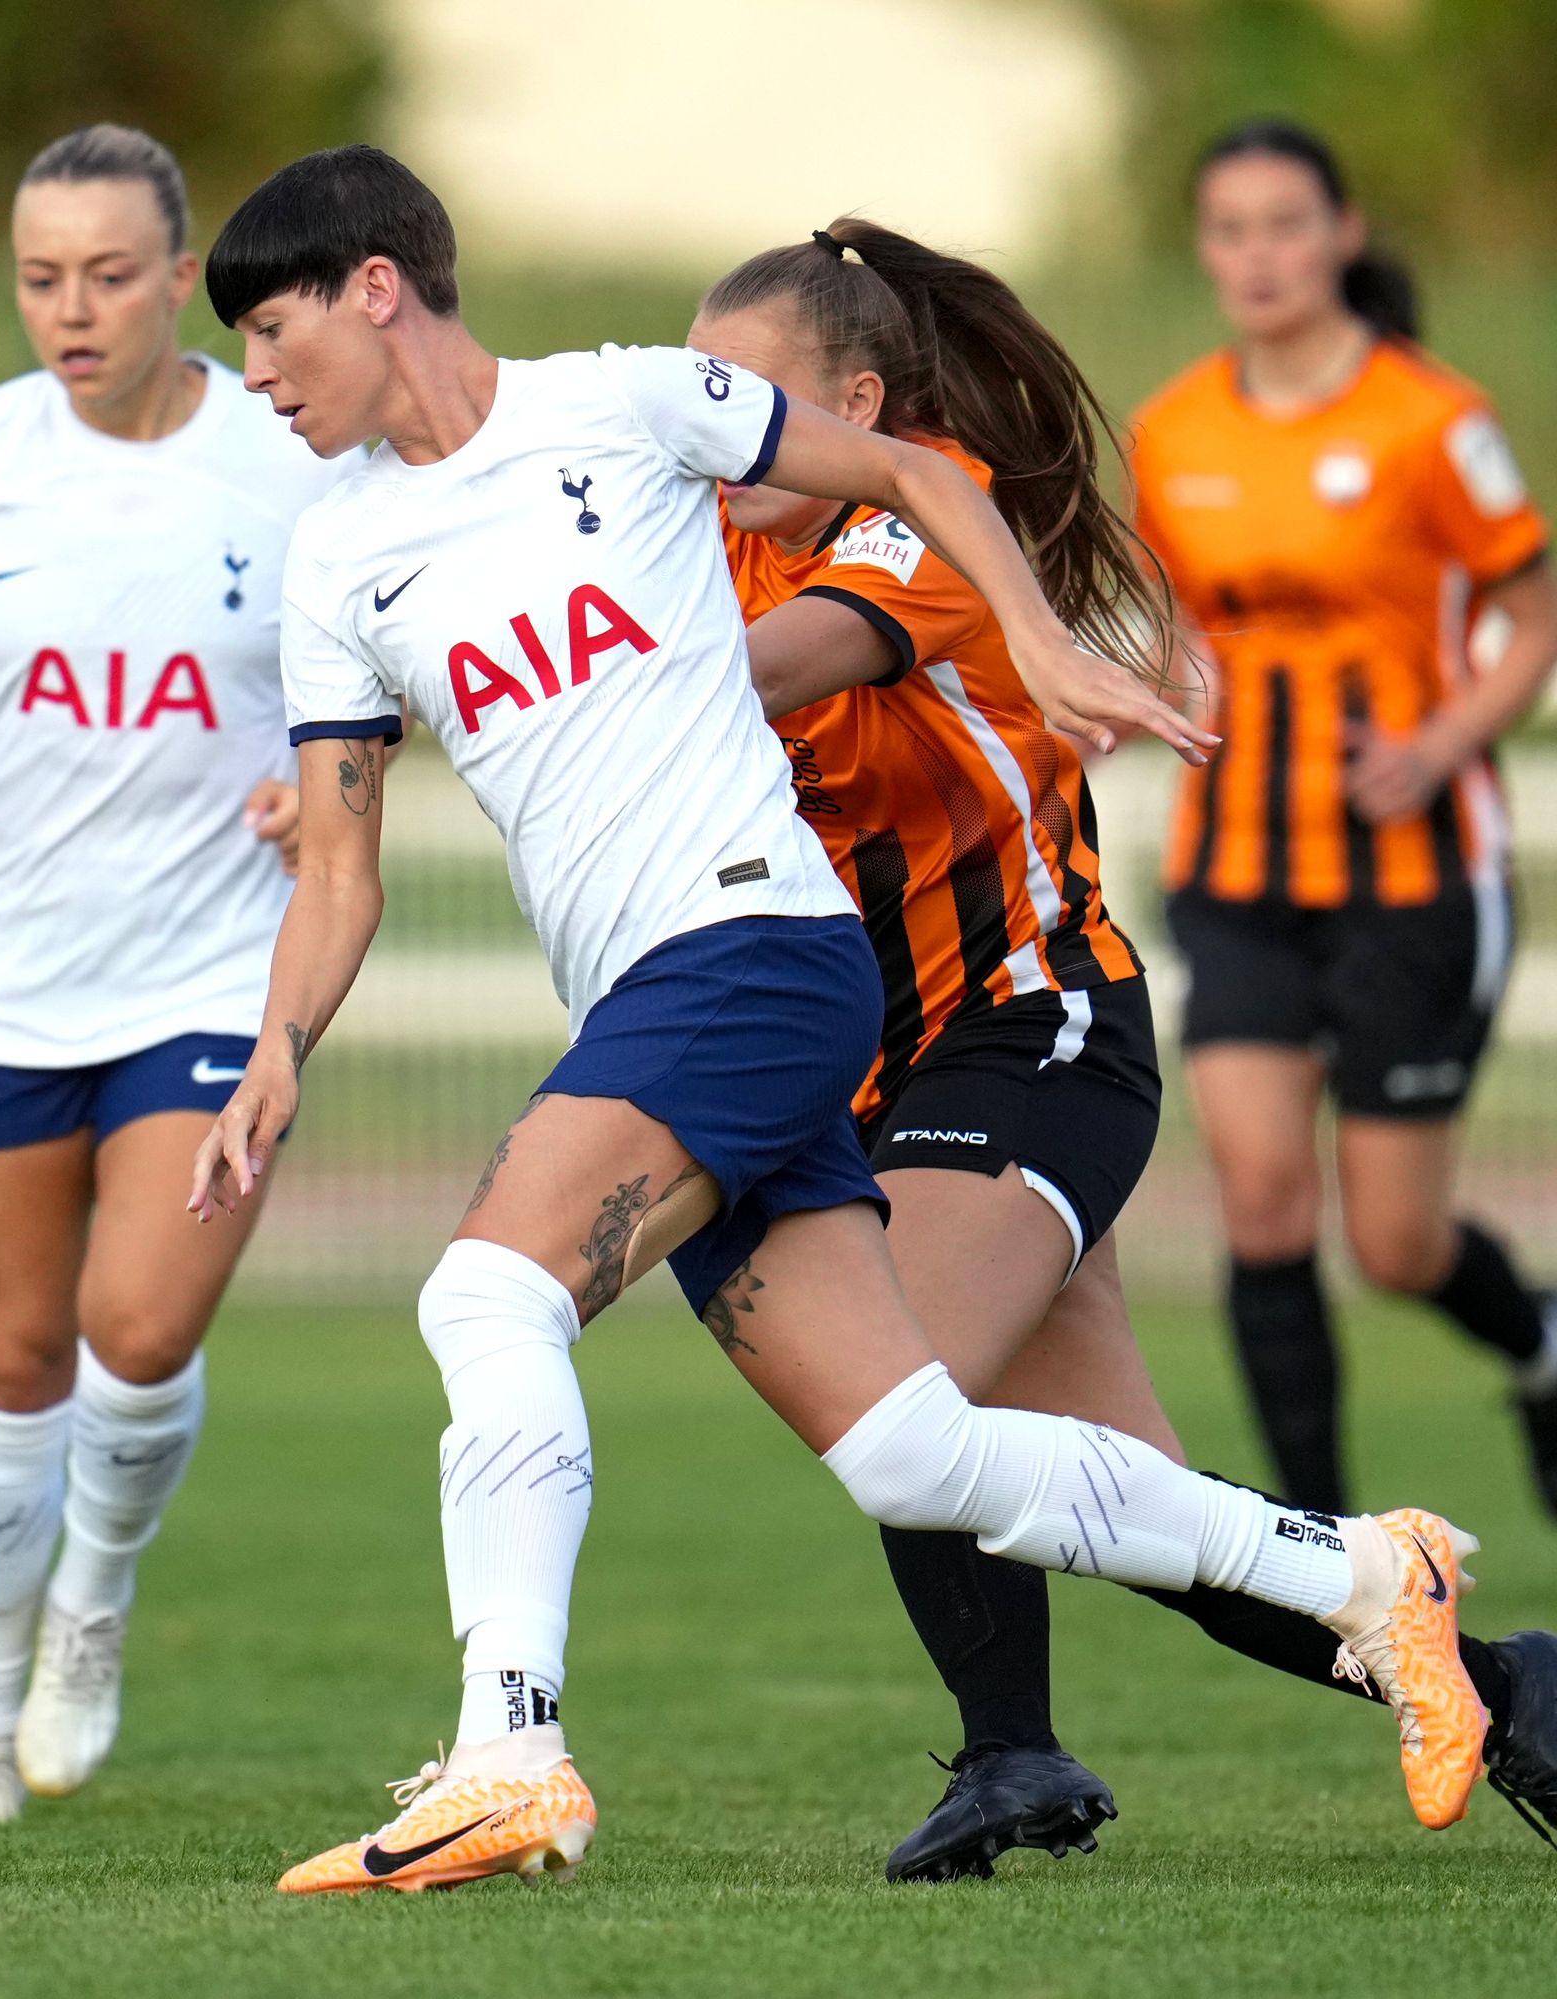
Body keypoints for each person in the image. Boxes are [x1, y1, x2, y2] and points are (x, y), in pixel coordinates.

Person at [189, 143, 1488, 1896]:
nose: (254, 379)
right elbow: (339, 867)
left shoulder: (621, 410)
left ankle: (510, 1753)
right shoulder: (338, 563)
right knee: (911, 1452)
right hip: (747, 1008)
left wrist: (1033, 633)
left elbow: (907, 470)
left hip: (756, 959)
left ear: (376, 286)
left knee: (485, 1290)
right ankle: (1362, 1578)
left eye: (269, 331)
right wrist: (276, 1047)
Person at [695, 220, 1557, 1880]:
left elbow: (757, 674)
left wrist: (541, 692)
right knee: (1150, 1514)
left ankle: (1013, 1754)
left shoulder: (921, 505)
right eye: (692, 392)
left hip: (1036, 1033)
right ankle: (1514, 1687)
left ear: (856, 401)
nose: (713, 427)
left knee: (902, 1388)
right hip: (879, 1087)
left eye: (743, 395)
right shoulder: (703, 539)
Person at [0, 125, 356, 1825]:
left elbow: (402, 671)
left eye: (111, 275)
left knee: (139, 1325)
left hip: (209, 979)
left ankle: (91, 1604)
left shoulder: (290, 462)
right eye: (42, 278)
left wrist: (323, 777)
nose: (73, 309)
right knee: (18, 1353)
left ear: (180, 279)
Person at [1128, 121, 1557, 1519]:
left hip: (1411, 874)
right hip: (1235, 862)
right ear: (1206, 248)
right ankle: (1320, 1551)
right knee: (1258, 1198)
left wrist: (1440, 741)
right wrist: (1144, 689)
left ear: (1344, 235)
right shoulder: (1173, 427)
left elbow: (1533, 614)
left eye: (1287, 225)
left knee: (1396, 1243)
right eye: (1232, 229)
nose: (1260, 255)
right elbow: (1176, 631)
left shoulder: (1435, 421)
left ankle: (1542, 1342)